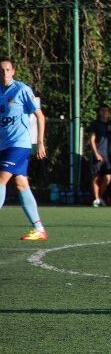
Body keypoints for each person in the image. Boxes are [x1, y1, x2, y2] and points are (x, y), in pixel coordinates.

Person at [0, 57, 47, 240]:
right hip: (4, 145)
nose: (5, 74)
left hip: (19, 144)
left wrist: (40, 142)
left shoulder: (22, 89)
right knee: (21, 184)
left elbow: (40, 116)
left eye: (8, 70)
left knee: (2, 179)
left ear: (13, 71)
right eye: (1, 70)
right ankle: (39, 229)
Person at [88, 105, 111, 207]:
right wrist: (96, 153)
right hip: (98, 154)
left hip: (109, 156)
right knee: (96, 177)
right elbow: (92, 140)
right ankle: (96, 199)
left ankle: (100, 198)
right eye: (102, 111)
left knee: (108, 177)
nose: (105, 112)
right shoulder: (95, 124)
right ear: (99, 112)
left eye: (106, 111)